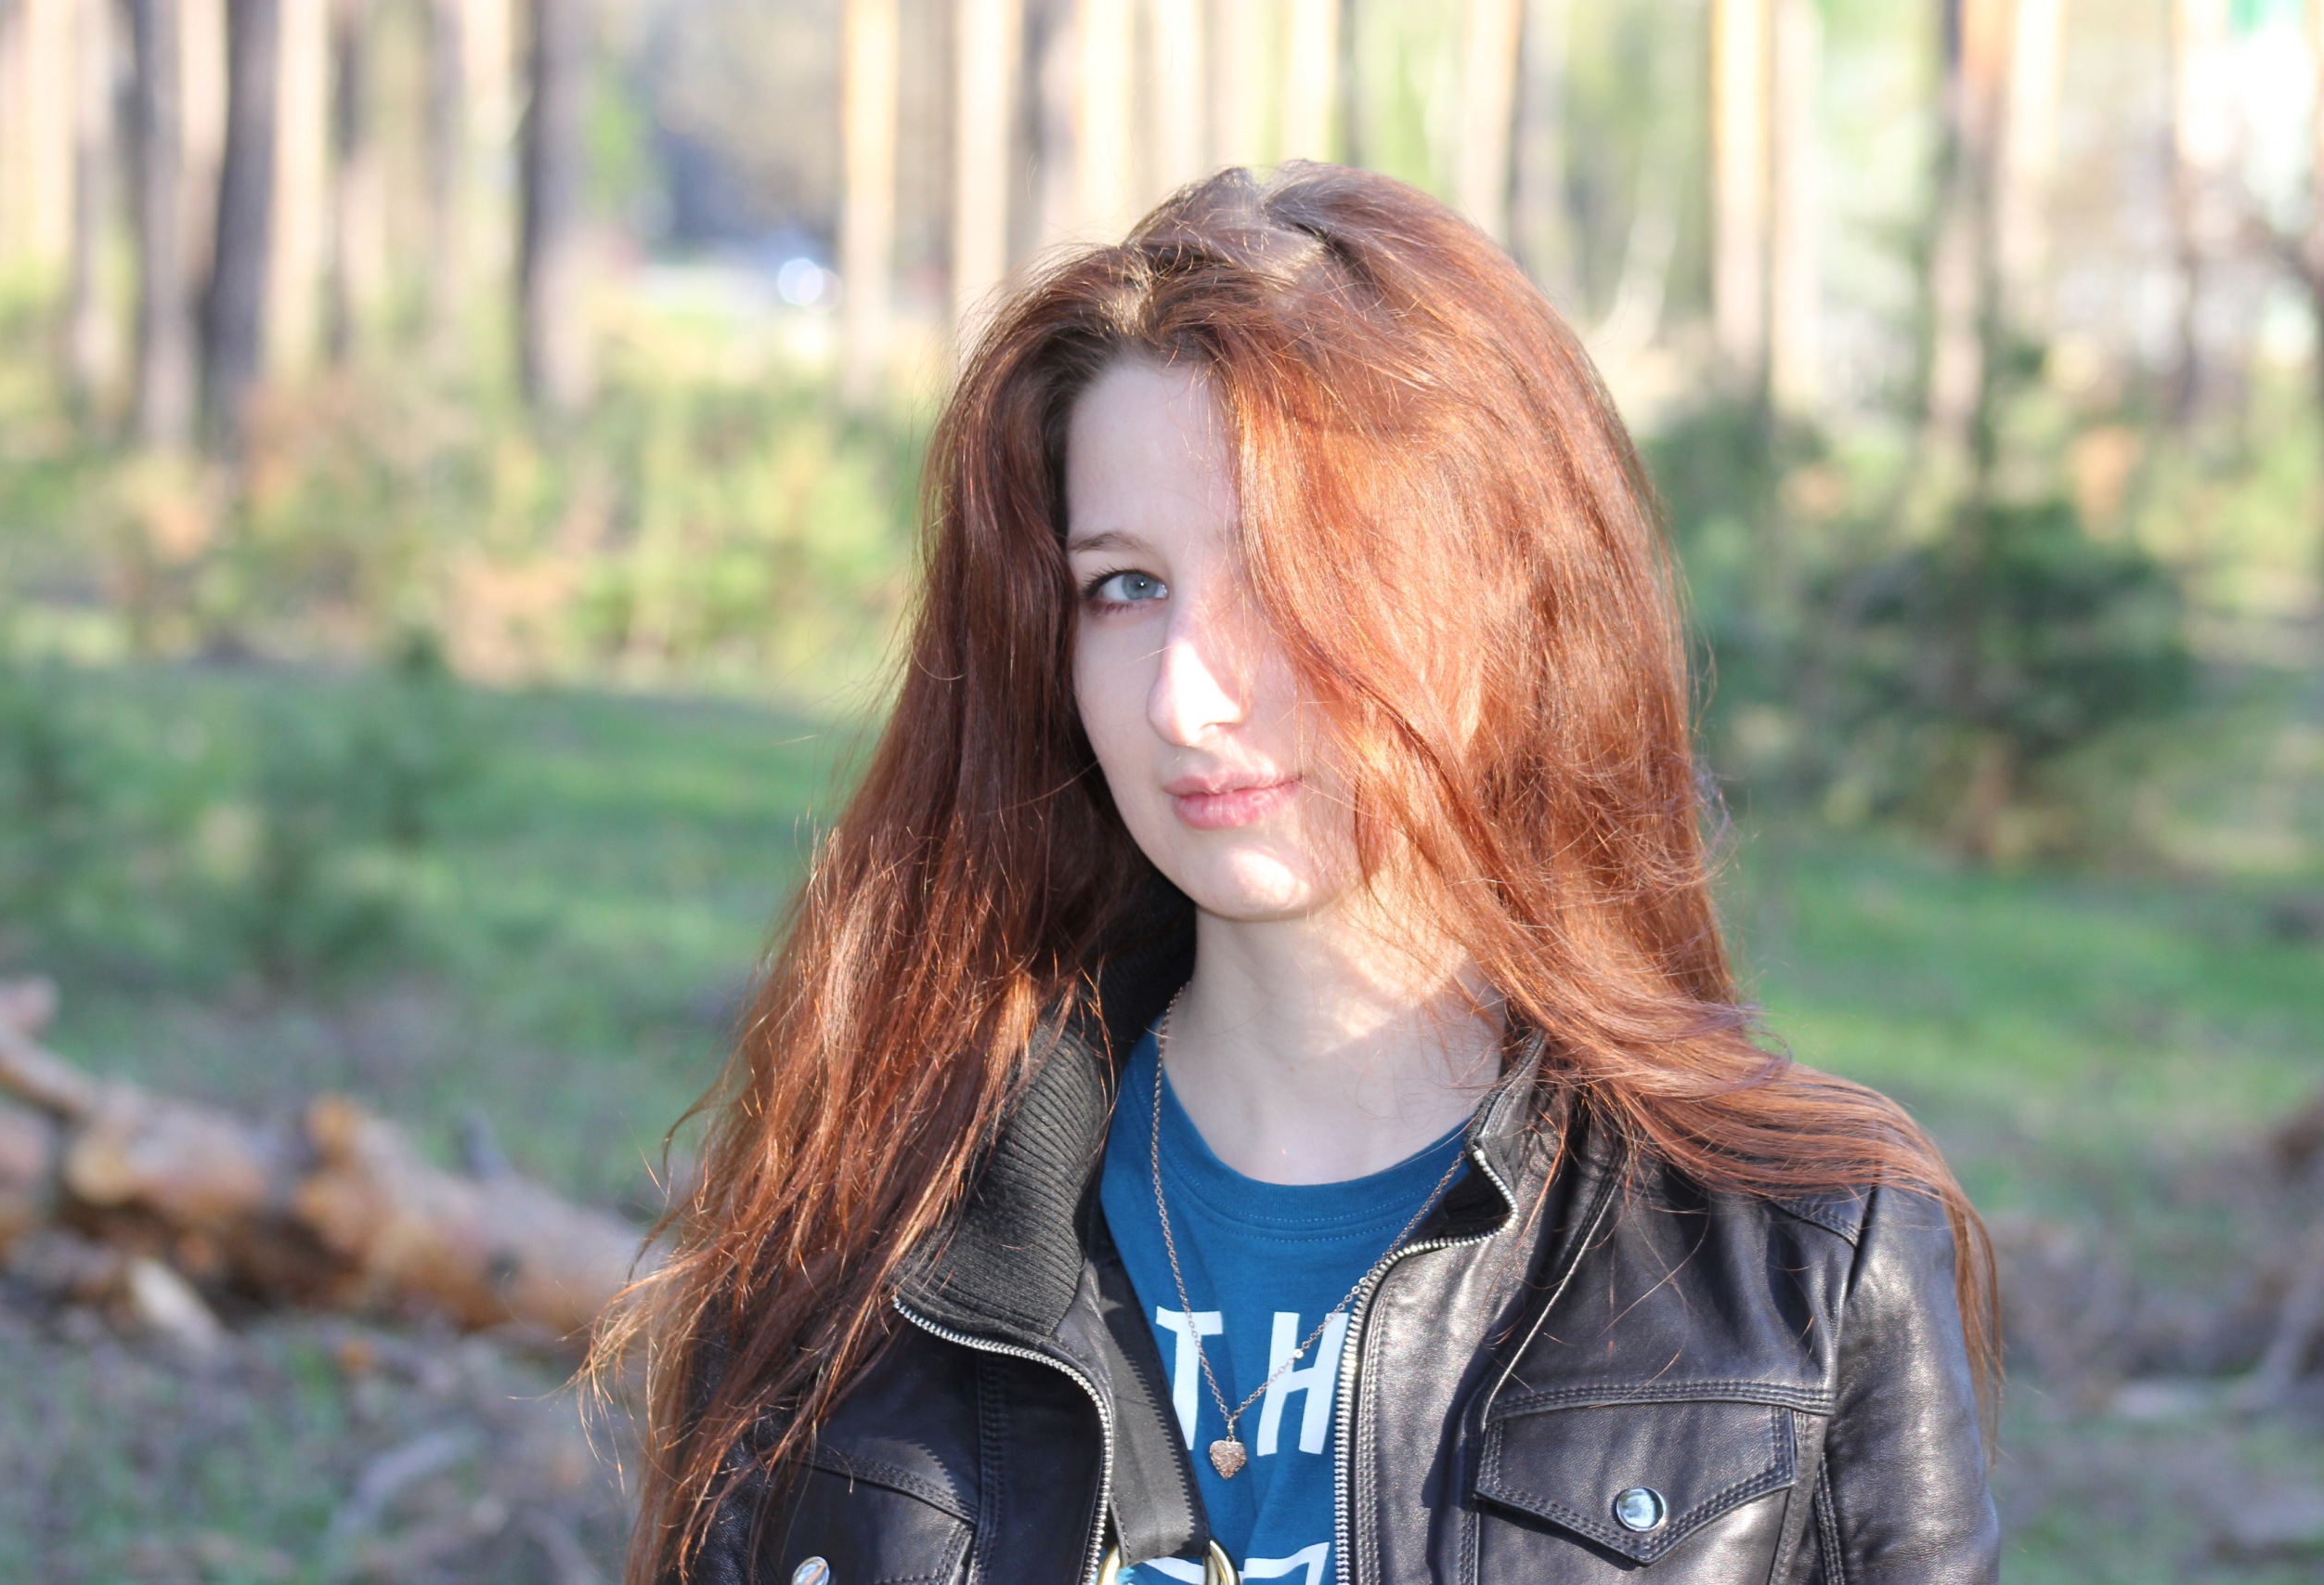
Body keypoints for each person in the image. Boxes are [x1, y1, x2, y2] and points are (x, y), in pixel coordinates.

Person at [605, 163, 2000, 1585]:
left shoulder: (1803, 1257)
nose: (1185, 696)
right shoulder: (861, 1210)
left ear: (1512, 590)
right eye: (1125, 587)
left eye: (1283, 572)